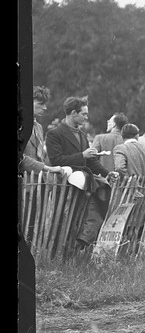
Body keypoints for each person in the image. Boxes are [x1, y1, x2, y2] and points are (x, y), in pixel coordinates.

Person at [45, 95, 113, 250]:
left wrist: (107, 173)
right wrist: (82, 155)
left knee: (99, 199)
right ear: (73, 113)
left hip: (84, 182)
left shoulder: (82, 134)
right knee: (66, 219)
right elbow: (56, 160)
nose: (86, 117)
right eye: (84, 114)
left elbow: (90, 160)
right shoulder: (54, 134)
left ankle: (83, 240)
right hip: (66, 186)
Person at [20, 86, 70, 177]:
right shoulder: (19, 126)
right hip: (23, 183)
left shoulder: (38, 127)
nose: (45, 108)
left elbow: (40, 157)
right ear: (28, 103)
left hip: (39, 184)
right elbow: (20, 158)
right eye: (40, 103)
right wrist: (49, 169)